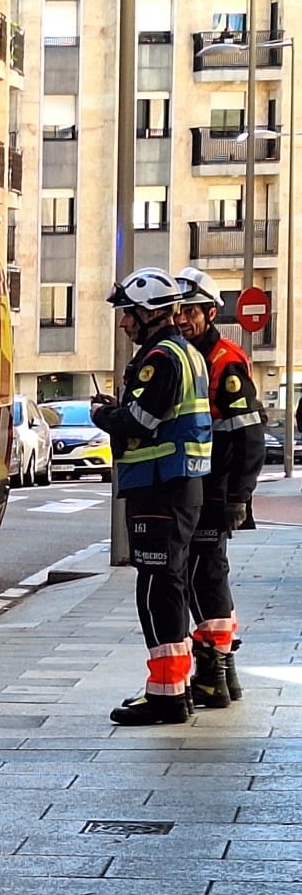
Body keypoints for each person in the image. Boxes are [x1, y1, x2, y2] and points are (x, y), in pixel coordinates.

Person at [90, 267, 211, 726]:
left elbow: (140, 420)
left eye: (127, 315)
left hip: (161, 486)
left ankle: (165, 695)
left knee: (157, 588)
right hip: (181, 484)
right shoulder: (188, 354)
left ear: (148, 312)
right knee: (170, 585)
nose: (123, 324)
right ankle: (174, 688)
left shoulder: (160, 357)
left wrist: (103, 413)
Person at [176, 267, 262, 709]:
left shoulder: (224, 360)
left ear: (210, 312)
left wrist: (240, 496)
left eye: (190, 310)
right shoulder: (187, 357)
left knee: (204, 575)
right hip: (199, 483)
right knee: (205, 575)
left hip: (216, 488)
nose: (182, 318)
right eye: (178, 310)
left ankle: (214, 669)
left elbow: (248, 434)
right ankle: (222, 673)